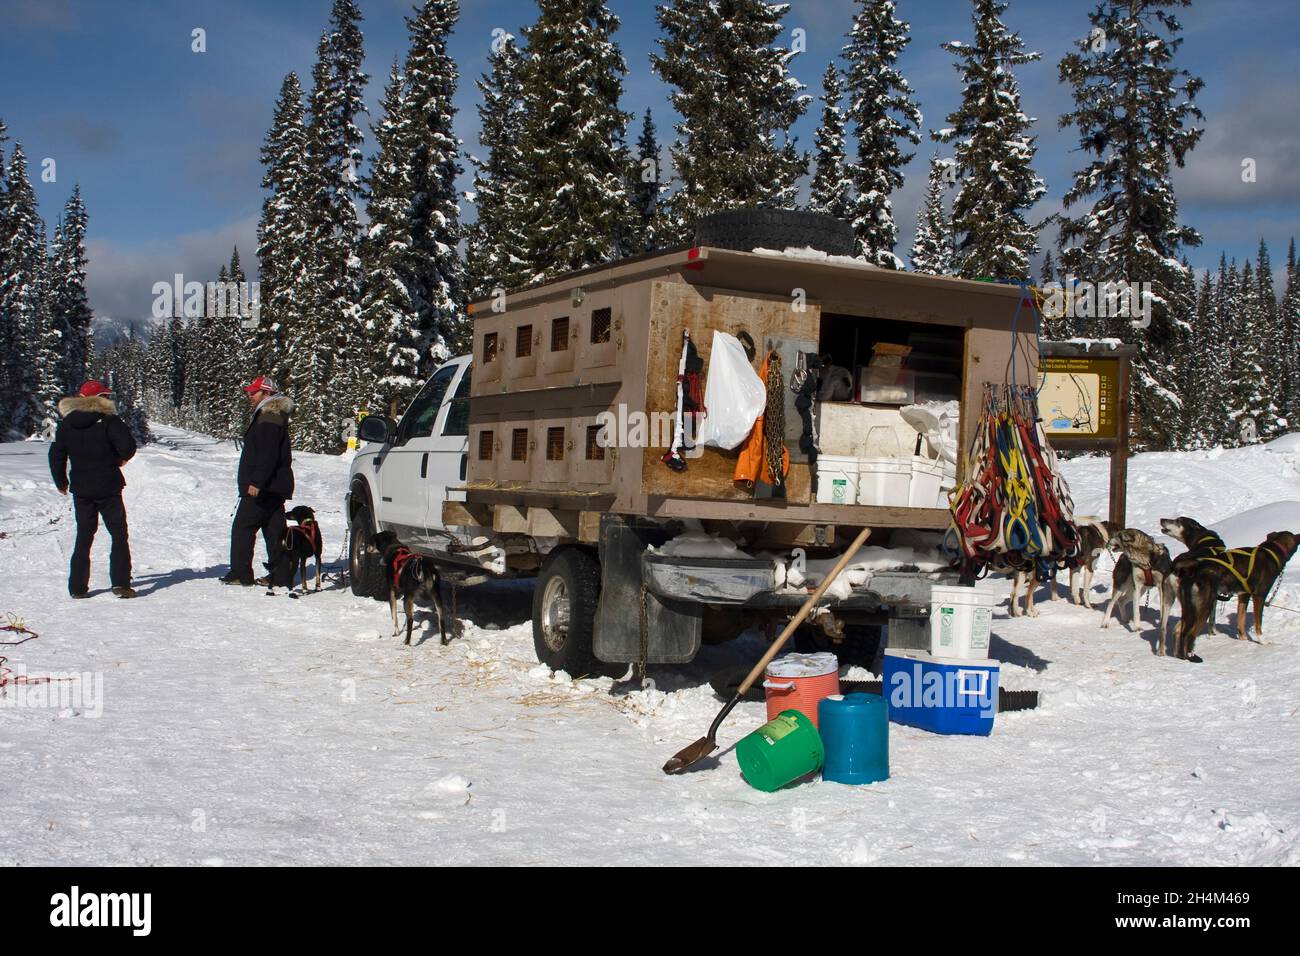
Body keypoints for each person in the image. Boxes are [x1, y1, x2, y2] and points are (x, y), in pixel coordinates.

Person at [49, 380, 138, 598]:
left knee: (84, 536)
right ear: (101, 398)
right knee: (118, 534)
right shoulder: (109, 421)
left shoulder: (66, 424)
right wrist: (118, 460)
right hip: (108, 486)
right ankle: (120, 584)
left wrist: (61, 482)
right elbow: (128, 447)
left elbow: (56, 455)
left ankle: (77, 588)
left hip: (81, 488)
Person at [222, 375, 294, 586]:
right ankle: (281, 575)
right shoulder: (271, 415)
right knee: (275, 531)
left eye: (253, 392)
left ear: (267, 394)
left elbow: (267, 454)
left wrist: (256, 482)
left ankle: (240, 573)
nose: (250, 396)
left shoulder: (269, 416)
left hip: (263, 487)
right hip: (274, 485)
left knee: (243, 527)